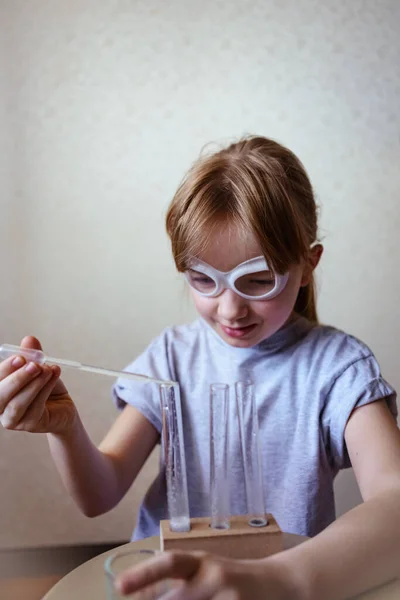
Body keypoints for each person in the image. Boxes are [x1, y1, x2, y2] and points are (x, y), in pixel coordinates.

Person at [1, 136, 400, 600]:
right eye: (202, 280)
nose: (231, 309)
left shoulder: (337, 369)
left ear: (308, 264)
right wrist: (64, 429)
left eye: (258, 279)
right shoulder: (172, 356)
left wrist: (284, 578)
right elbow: (99, 494)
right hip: (164, 589)